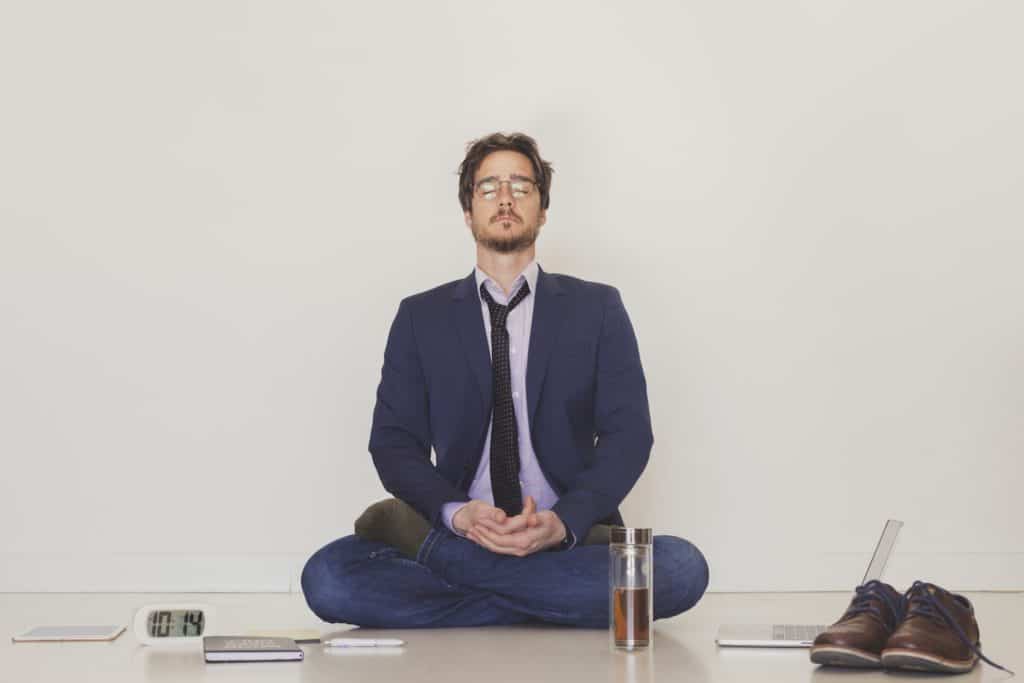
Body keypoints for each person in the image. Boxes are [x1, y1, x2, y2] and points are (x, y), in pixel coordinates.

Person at [301, 132, 709, 628]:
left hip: (566, 540)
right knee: (327, 577)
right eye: (488, 187)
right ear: (468, 211)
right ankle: (550, 603)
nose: (505, 197)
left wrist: (563, 523)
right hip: (462, 534)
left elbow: (629, 437)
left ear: (541, 209)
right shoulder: (420, 317)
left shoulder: (597, 308)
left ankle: (479, 590)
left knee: (683, 567)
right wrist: (458, 514)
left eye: (521, 185)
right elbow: (393, 443)